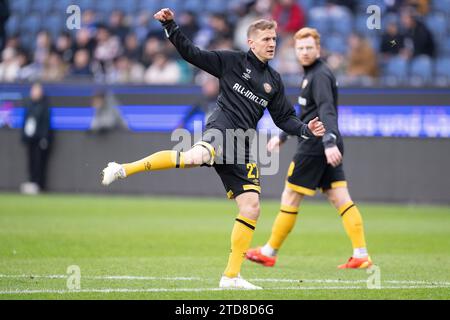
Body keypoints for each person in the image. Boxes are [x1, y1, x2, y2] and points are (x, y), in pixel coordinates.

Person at [100, 8, 325, 289]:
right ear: (251, 42)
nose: (271, 43)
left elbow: (284, 118)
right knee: (197, 156)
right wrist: (171, 26)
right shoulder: (230, 61)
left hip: (242, 145)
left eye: (274, 39)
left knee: (251, 207)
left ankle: (230, 277)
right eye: (266, 39)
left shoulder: (274, 81)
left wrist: (306, 129)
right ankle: (122, 169)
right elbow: (191, 53)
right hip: (221, 128)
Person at [246, 27, 372, 269]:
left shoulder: (320, 75)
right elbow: (307, 113)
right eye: (300, 48)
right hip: (322, 143)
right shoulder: (311, 74)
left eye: (309, 48)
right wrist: (283, 135)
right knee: (340, 198)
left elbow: (326, 110)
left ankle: (269, 251)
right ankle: (361, 254)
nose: (304, 52)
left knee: (290, 196)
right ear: (295, 50)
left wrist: (328, 142)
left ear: (318, 49)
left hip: (316, 145)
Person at [21, 82, 52, 194]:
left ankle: (38, 183)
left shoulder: (44, 105)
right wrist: (24, 136)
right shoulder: (29, 104)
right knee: (31, 161)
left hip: (40, 138)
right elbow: (25, 121)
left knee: (39, 162)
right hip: (30, 138)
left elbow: (45, 123)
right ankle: (31, 181)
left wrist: (44, 138)